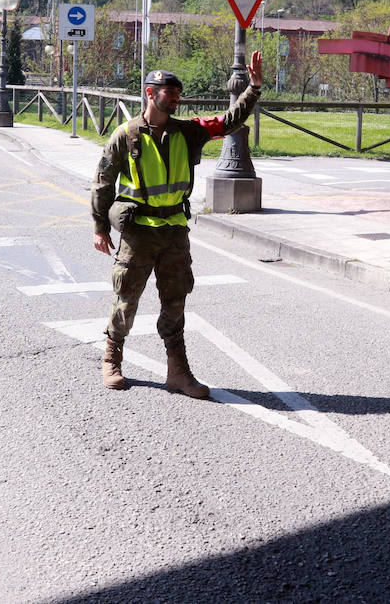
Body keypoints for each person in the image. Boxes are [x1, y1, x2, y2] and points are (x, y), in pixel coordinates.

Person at [91, 51, 263, 397]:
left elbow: (230, 120)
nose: (175, 99)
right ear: (150, 93)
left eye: (177, 93)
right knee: (127, 300)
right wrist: (100, 227)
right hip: (138, 231)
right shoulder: (125, 135)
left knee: (176, 301)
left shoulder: (189, 131)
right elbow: (103, 182)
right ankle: (112, 358)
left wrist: (253, 88)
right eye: (168, 93)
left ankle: (178, 372)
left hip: (173, 231)